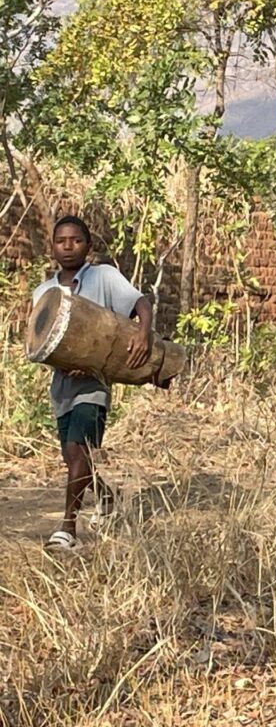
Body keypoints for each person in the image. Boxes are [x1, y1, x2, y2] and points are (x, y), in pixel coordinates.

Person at [32, 216, 152, 550]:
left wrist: (143, 334)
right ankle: (107, 497)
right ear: (52, 247)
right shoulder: (43, 293)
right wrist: (63, 362)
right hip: (62, 388)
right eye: (61, 241)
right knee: (74, 457)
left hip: (94, 384)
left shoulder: (104, 277)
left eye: (76, 240)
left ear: (89, 246)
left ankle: (67, 528)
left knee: (79, 451)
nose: (68, 247)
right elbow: (40, 345)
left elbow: (141, 303)